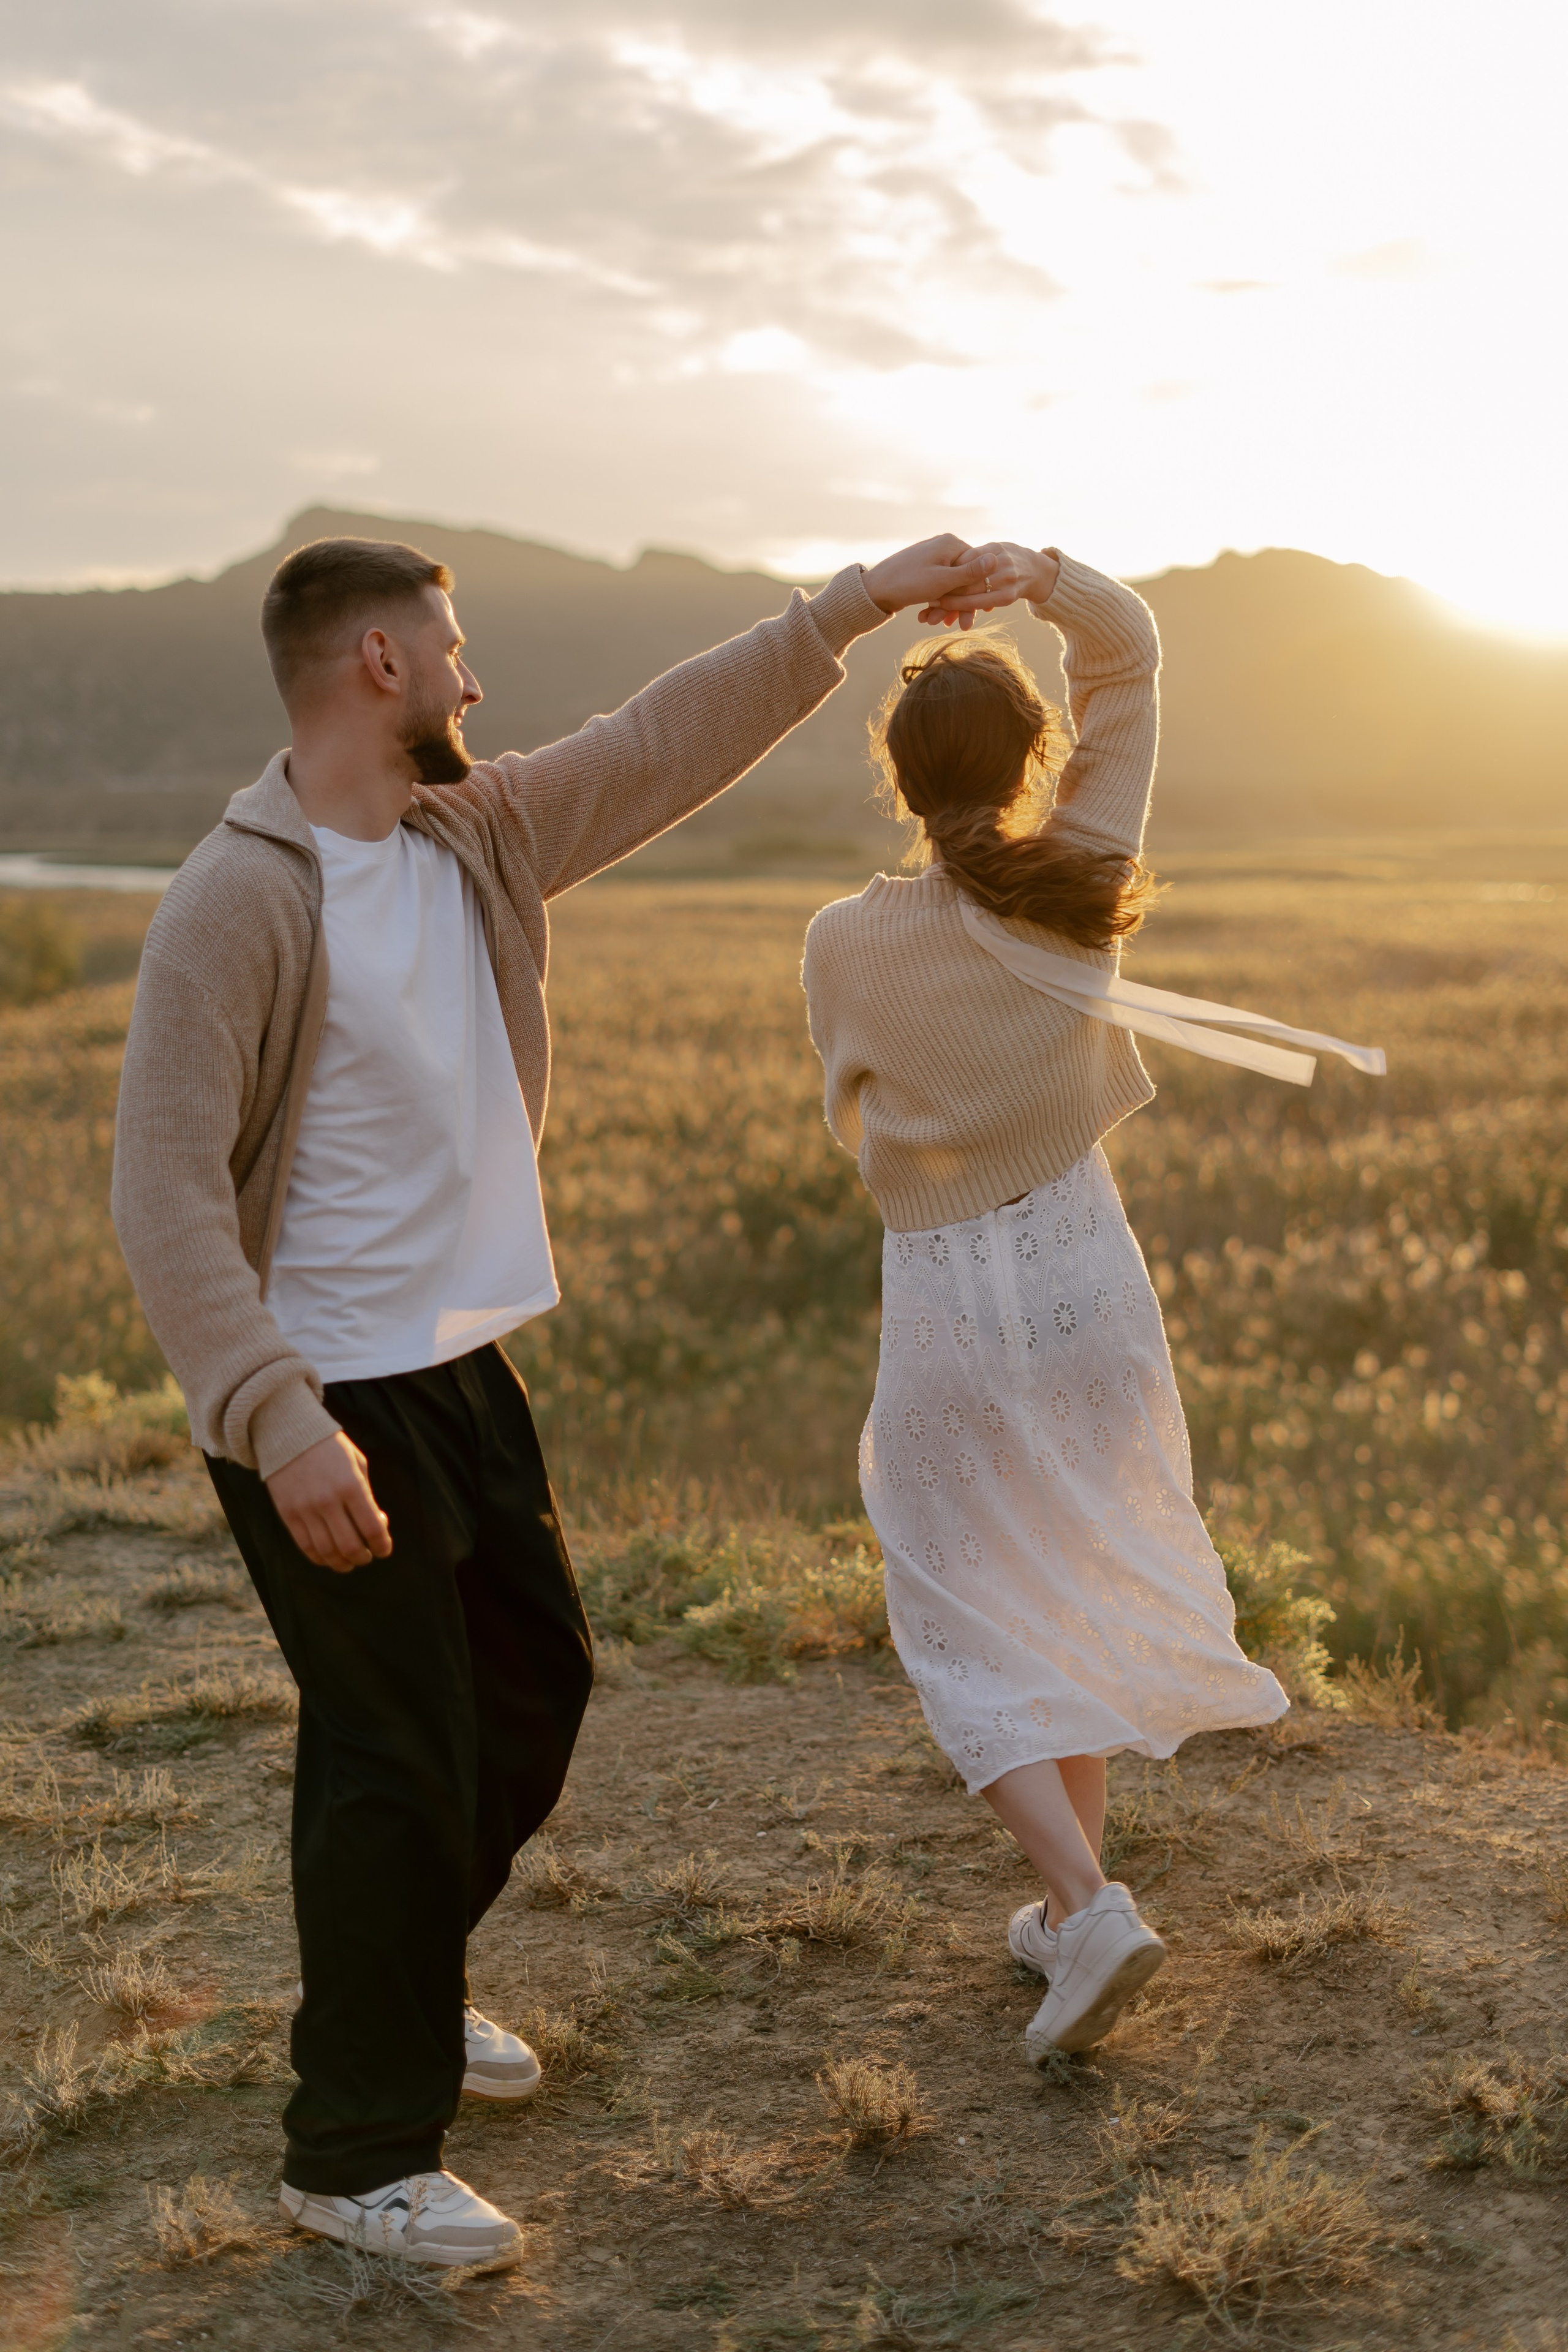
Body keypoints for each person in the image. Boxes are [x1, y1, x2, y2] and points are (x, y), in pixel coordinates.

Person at [110, 523, 1000, 2269]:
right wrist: (280, 1419)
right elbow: (162, 1193)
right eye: (449, 646)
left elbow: (664, 736)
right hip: (323, 1391)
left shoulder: (478, 832)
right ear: (379, 665)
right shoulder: (239, 900)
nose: (472, 676)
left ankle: (405, 1980)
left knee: (536, 1694)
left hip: (458, 1361)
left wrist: (855, 603)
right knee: (395, 1759)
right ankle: (355, 2151)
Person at [802, 541, 1381, 2064]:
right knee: (1054, 1581)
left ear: (893, 772)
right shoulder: (1076, 879)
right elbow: (1128, 656)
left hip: (945, 1293)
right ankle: (1070, 1924)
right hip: (1084, 1279)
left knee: (953, 1605)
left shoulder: (840, 941)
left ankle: (1084, 1899)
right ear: (1035, 758)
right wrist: (1033, 576)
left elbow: (846, 1111)